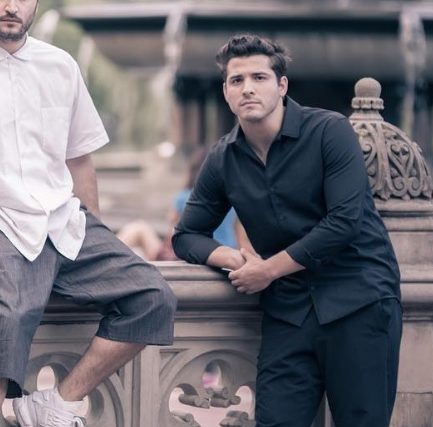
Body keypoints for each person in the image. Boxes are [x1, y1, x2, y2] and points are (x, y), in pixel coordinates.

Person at [0, 1, 176, 426]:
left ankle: (56, 404)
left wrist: (96, 232)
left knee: (154, 297)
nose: (12, 6)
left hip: (61, 217)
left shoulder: (61, 66)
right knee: (7, 314)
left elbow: (79, 161)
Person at [172, 34, 401, 426]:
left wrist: (268, 270)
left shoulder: (329, 131)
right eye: (236, 80)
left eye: (259, 78)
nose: (247, 88)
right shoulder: (223, 158)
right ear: (226, 92)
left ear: (281, 85)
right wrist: (236, 260)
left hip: (359, 301)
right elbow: (185, 235)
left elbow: (344, 222)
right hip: (289, 312)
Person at [117, 146, 247, 261]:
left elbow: (173, 234)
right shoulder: (231, 199)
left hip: (189, 256)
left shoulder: (185, 197)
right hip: (225, 255)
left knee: (139, 228)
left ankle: (109, 258)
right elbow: (241, 239)